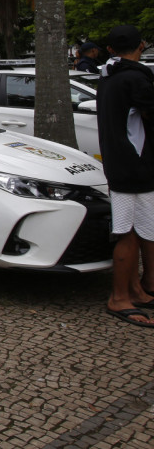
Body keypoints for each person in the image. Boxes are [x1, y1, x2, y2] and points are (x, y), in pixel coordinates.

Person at [96, 25, 154, 326]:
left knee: (142, 229)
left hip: (122, 161)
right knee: (128, 231)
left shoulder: (109, 76)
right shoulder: (134, 79)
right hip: (133, 165)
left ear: (110, 50)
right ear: (141, 45)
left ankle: (137, 290)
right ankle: (119, 297)